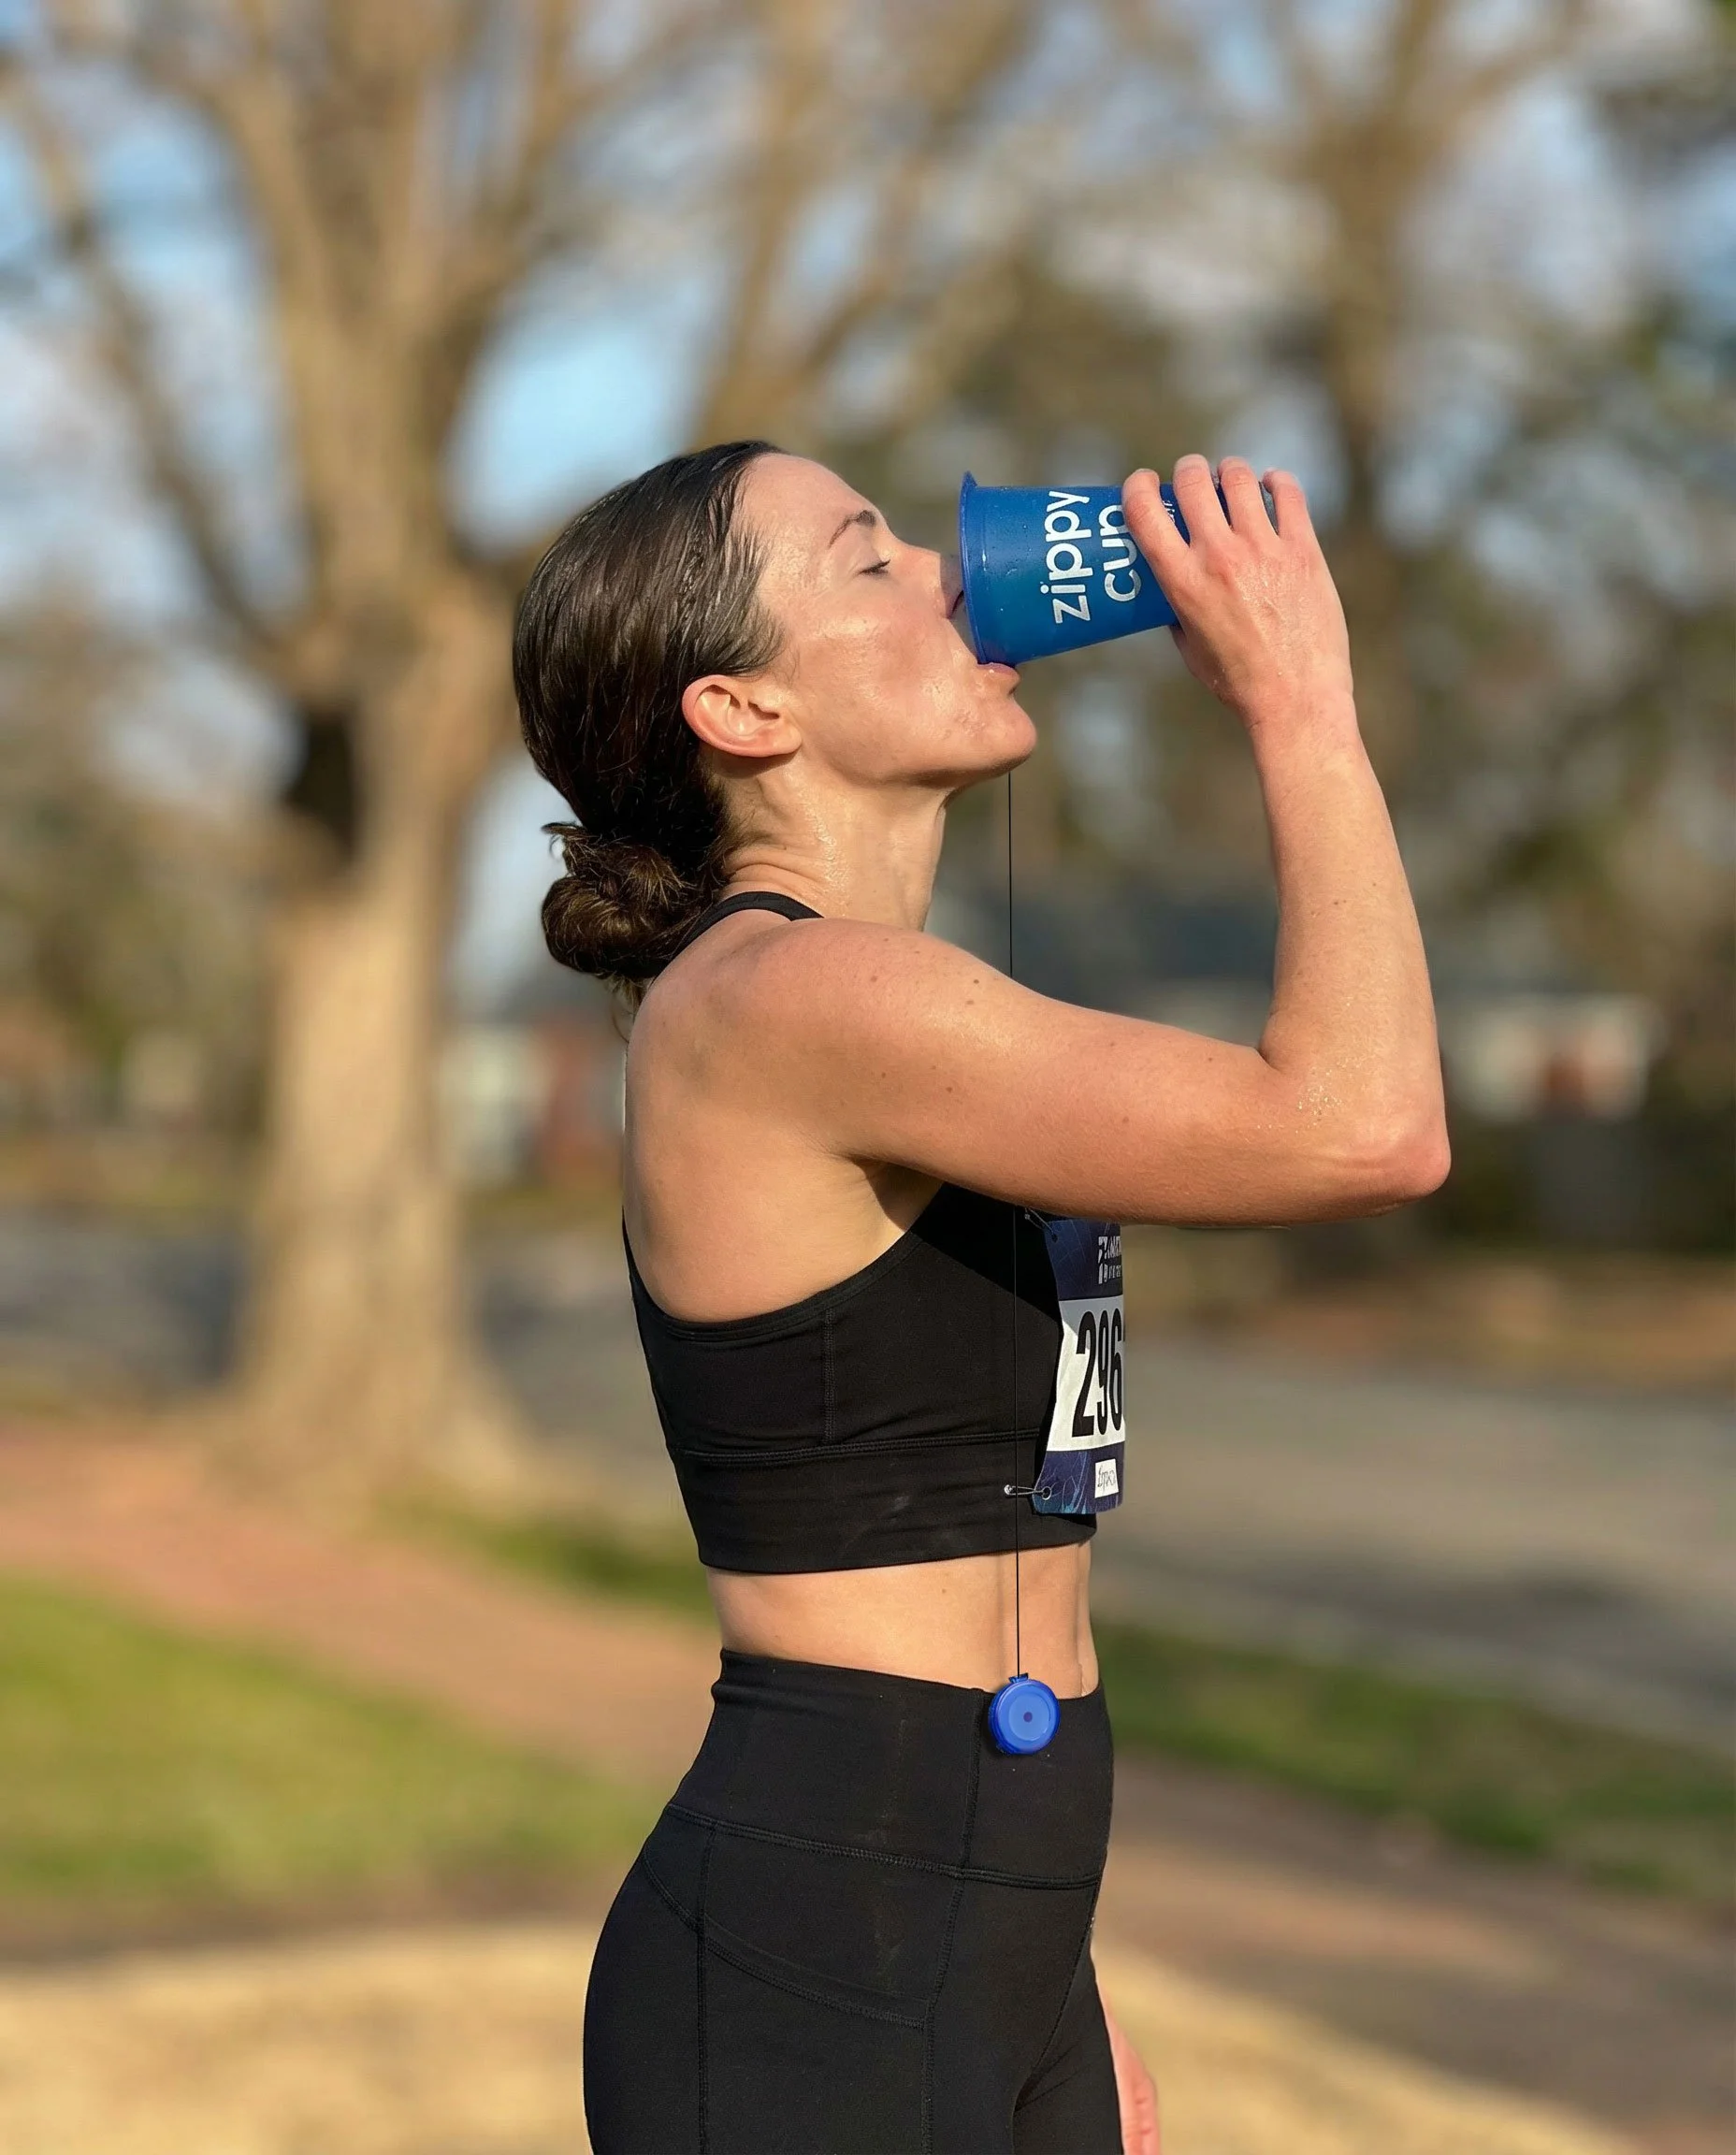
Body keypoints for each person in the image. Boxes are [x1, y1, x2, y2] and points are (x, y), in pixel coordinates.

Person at [514, 441, 1448, 2155]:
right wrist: (1301, 702)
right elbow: (1366, 1129)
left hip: (983, 1930)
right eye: (870, 561)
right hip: (811, 1970)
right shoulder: (788, 999)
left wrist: (1041, 1981)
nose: (954, 572)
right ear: (744, 711)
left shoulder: (901, 1011)